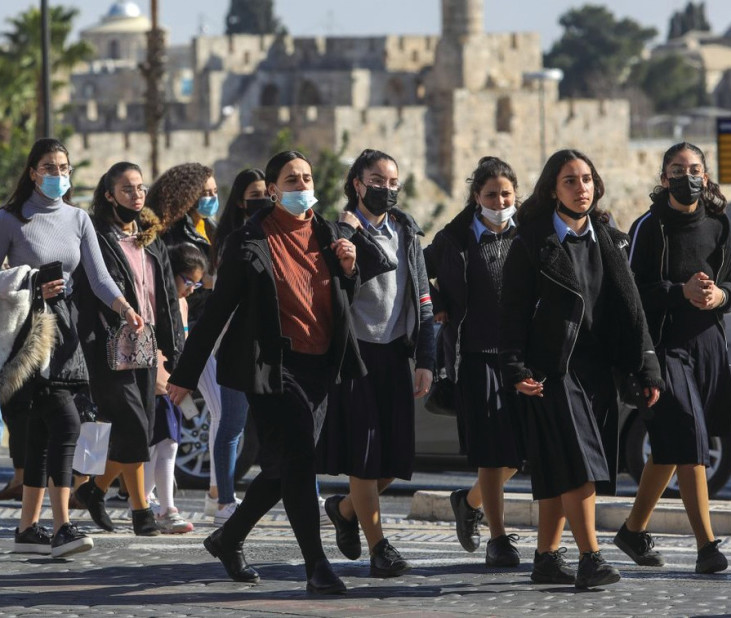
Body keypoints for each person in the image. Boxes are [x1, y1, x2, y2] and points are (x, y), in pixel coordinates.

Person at [166, 150, 365, 595]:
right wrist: (184, 374)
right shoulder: (250, 238)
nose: (301, 186)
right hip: (271, 366)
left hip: (320, 365)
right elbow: (218, 310)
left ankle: (228, 537)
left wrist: (350, 270)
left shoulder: (327, 233)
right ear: (272, 189)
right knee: (300, 460)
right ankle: (316, 565)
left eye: (307, 178)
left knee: (281, 467)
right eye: (291, 180)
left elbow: (339, 295)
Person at [501, 149, 663, 588]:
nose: (581, 188)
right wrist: (514, 367)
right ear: (553, 188)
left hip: (596, 369)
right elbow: (511, 312)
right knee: (579, 462)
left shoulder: (609, 239)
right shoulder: (532, 242)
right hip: (551, 369)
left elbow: (632, 311)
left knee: (558, 466)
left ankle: (546, 557)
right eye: (570, 180)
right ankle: (591, 557)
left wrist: (646, 369)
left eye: (587, 179)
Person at [0, 138, 142, 557]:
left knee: (46, 431)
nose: (58, 174)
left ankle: (28, 529)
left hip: (66, 333)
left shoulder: (78, 218)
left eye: (64, 167)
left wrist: (126, 309)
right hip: (29, 333)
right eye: (49, 166)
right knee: (66, 424)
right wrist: (29, 281)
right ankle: (62, 525)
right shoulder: (10, 219)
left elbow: (98, 278)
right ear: (32, 172)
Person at [616, 142, 731, 574]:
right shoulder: (649, 227)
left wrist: (718, 295)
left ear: (704, 176)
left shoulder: (720, 225)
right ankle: (708, 546)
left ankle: (632, 530)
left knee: (670, 446)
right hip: (664, 347)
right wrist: (679, 292)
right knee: (689, 439)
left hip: (707, 344)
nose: (686, 176)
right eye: (676, 169)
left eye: (694, 169)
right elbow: (631, 295)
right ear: (664, 176)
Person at [318, 149, 434, 577]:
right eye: (376, 180)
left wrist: (426, 358)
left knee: (394, 458)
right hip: (355, 354)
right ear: (357, 184)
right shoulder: (338, 229)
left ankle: (345, 509)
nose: (385, 189)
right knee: (364, 457)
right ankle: (379, 546)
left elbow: (423, 299)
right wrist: (344, 236)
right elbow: (330, 293)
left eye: (392, 182)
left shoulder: (406, 231)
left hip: (394, 353)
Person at [74, 161, 184, 537]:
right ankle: (140, 512)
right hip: (108, 345)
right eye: (127, 189)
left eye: (140, 188)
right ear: (109, 195)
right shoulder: (98, 238)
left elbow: (167, 297)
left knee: (142, 426)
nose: (136, 195)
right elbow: (92, 294)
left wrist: (175, 351)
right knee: (135, 425)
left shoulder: (151, 239)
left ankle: (95, 489)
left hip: (147, 344)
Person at [424, 156, 523, 567]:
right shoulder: (454, 239)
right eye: (491, 194)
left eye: (506, 194)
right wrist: (441, 300)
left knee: (519, 453)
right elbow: (417, 272)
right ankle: (498, 538)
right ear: (476, 197)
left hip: (520, 358)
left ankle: (467, 501)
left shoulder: (529, 235)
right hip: (474, 357)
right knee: (491, 452)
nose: (499, 201)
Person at [146, 163, 224, 516]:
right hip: (184, 337)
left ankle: (156, 497)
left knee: (170, 423)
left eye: (213, 192)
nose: (211, 199)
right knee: (166, 421)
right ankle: (203, 498)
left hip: (207, 333)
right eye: (204, 193)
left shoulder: (212, 232)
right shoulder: (173, 238)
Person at [210, 168, 267, 524]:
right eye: (255, 195)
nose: (261, 201)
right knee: (232, 425)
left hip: (271, 345)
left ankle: (311, 494)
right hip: (235, 344)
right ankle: (225, 501)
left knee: (291, 428)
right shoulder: (232, 240)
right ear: (241, 201)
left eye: (266, 193)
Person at [145, 242, 208, 534]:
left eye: (198, 283)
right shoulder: (154, 299)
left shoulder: (181, 303)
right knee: (158, 445)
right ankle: (159, 506)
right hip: (156, 381)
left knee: (166, 444)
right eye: (188, 281)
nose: (192, 289)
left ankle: (154, 503)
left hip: (173, 383)